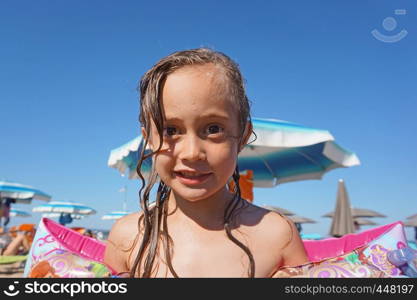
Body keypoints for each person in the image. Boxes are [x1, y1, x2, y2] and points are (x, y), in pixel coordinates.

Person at [104, 48, 308, 278]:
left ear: (242, 136)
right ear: (148, 139)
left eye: (213, 129)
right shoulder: (127, 237)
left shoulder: (277, 235)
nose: (192, 153)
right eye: (170, 130)